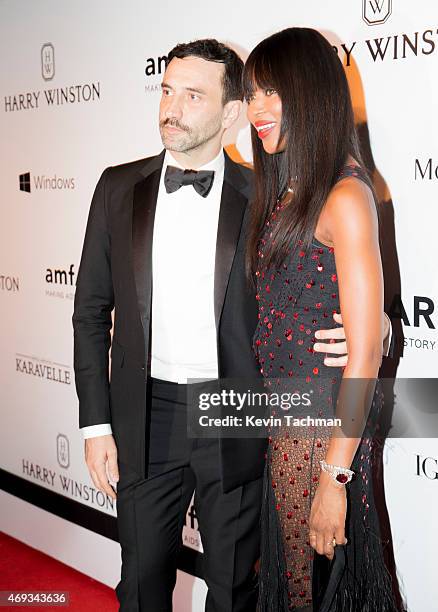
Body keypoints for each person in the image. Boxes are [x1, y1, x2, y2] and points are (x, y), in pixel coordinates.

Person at [73, 37, 392, 612]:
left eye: (192, 95)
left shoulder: (264, 195)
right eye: (166, 91)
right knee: (140, 586)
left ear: (228, 114)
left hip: (241, 412)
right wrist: (95, 424)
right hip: (148, 415)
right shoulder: (117, 188)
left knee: (237, 588)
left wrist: (378, 331)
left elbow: (311, 290)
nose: (170, 108)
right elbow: (90, 312)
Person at [243, 27, 400, 611]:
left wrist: (335, 479)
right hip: (289, 420)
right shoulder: (290, 189)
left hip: (320, 430)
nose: (256, 109)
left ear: (310, 93)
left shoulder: (344, 196)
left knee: (316, 589)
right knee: (297, 584)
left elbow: (362, 354)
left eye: (271, 93)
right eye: (252, 93)